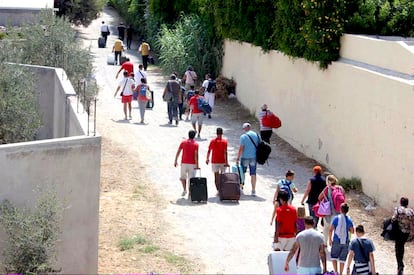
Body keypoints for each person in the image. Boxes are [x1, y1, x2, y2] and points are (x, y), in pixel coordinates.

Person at [318, 174, 346, 245]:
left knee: (326, 229)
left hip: (329, 213)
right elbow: (344, 199)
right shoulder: (340, 188)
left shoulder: (327, 188)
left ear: (328, 181)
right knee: (337, 230)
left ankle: (325, 243)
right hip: (339, 213)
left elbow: (319, 197)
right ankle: (336, 244)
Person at [329, 203, 354, 275]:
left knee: (334, 257)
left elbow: (331, 229)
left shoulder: (336, 218)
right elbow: (352, 231)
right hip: (345, 241)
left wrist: (330, 239)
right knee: (342, 259)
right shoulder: (349, 219)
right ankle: (340, 273)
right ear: (347, 211)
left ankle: (336, 272)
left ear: (340, 209)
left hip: (336, 240)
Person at [391, 197, 413, 275]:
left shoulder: (398, 210)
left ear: (400, 202)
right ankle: (400, 264)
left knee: (397, 248)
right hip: (406, 233)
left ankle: (400, 265)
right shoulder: (411, 211)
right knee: (401, 246)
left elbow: (393, 219)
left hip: (399, 232)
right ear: (407, 203)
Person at [236, 122, 259, 196]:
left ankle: (241, 187)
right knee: (253, 174)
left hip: (245, 157)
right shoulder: (256, 135)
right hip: (254, 157)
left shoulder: (243, 136)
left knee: (242, 173)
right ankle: (253, 190)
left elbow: (241, 148)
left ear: (244, 128)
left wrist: (238, 158)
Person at [174, 130, 199, 197]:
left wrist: (176, 160)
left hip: (184, 162)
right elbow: (196, 155)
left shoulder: (183, 142)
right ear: (194, 136)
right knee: (191, 178)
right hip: (192, 163)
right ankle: (190, 191)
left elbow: (178, 151)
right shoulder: (196, 144)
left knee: (183, 177)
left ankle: (184, 189)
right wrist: (197, 165)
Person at [206, 127, 229, 193]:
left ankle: (218, 190)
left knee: (216, 176)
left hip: (214, 161)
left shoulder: (212, 141)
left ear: (216, 133)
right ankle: (222, 189)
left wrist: (207, 159)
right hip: (222, 161)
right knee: (222, 176)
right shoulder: (224, 142)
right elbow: (225, 152)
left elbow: (209, 151)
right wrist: (226, 162)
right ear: (222, 133)